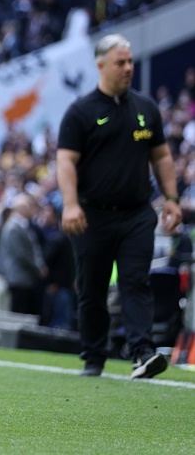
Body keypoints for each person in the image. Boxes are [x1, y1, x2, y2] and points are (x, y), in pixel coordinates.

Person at [57, 33, 182, 379]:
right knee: (93, 287)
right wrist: (70, 204)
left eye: (130, 62)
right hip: (91, 214)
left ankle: (142, 352)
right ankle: (94, 356)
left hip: (137, 214)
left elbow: (162, 156)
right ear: (101, 65)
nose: (128, 68)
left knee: (136, 280)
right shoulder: (81, 111)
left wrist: (171, 199)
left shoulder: (146, 109)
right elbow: (65, 161)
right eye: (120, 62)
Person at [1, 193, 45, 316]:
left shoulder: (20, 225)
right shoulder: (13, 227)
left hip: (23, 278)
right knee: (20, 313)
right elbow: (21, 254)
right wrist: (37, 267)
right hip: (20, 278)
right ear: (22, 208)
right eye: (30, 206)